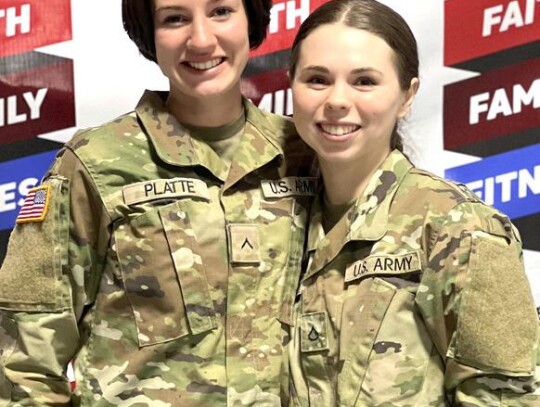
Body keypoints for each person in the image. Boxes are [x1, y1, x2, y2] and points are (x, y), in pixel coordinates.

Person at [0, 0, 317, 405]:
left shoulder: (308, 157)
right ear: (149, 34)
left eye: (221, 11)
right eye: (175, 18)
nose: (201, 39)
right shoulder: (95, 164)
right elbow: (24, 363)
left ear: (251, 20)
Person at [286, 0, 540, 405]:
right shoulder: (277, 222)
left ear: (407, 96)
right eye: (316, 79)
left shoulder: (458, 228)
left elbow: (509, 399)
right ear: (291, 87)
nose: (336, 100)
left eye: (364, 81)